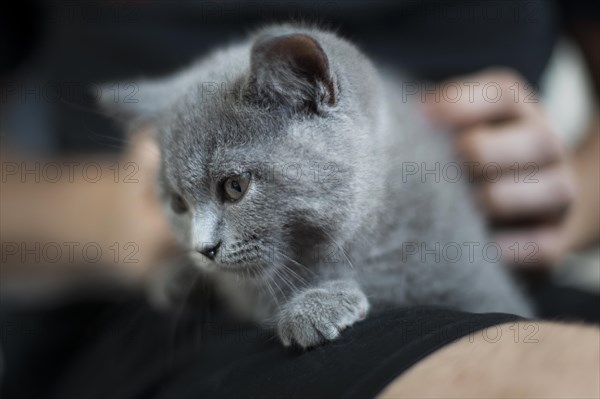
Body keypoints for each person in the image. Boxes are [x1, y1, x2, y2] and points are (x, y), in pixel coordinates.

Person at [1, 1, 598, 397]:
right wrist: (112, 218)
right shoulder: (199, 244)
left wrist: (570, 199)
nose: (203, 240)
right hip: (160, 318)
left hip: (500, 256)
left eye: (234, 189)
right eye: (188, 206)